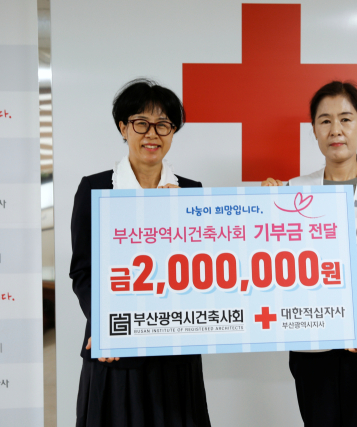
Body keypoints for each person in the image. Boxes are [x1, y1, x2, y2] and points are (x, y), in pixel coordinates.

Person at [262, 81, 357, 427]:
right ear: (314, 130)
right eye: (325, 121)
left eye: (346, 119)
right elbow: (270, 262)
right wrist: (265, 207)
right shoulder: (291, 191)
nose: (336, 130)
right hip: (312, 335)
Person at [70, 78, 211, 427]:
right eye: (141, 123)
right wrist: (104, 325)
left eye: (163, 124)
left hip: (175, 348)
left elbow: (203, 272)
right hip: (116, 348)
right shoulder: (95, 188)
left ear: (173, 131)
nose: (152, 134)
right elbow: (83, 271)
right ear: (123, 127)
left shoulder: (191, 192)